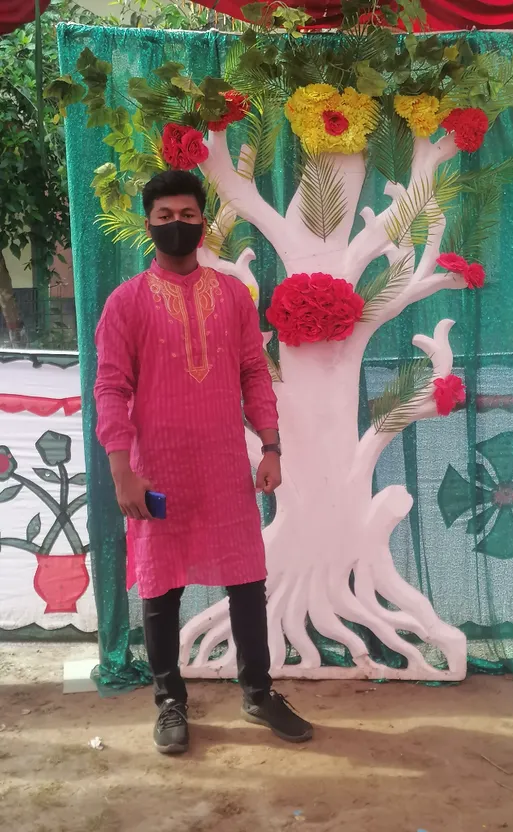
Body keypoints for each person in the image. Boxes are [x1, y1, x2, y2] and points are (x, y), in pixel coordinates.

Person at [94, 169, 313, 754]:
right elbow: (111, 388)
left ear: (204, 221)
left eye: (187, 216)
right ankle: (169, 702)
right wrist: (122, 469)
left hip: (223, 467)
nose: (176, 226)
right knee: (160, 587)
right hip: (156, 468)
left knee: (247, 579)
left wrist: (270, 446)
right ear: (148, 223)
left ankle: (258, 692)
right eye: (164, 217)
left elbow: (252, 372)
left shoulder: (232, 297)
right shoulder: (126, 303)